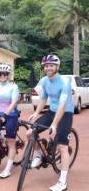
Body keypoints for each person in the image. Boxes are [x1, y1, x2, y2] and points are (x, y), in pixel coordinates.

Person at [28, 55, 74, 191]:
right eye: (46, 65)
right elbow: (43, 98)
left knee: (62, 147)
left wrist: (53, 125)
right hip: (51, 111)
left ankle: (63, 182)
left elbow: (62, 104)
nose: (48, 68)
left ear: (57, 67)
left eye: (51, 65)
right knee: (30, 132)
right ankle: (38, 153)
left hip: (65, 112)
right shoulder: (44, 80)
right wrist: (36, 113)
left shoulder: (65, 81)